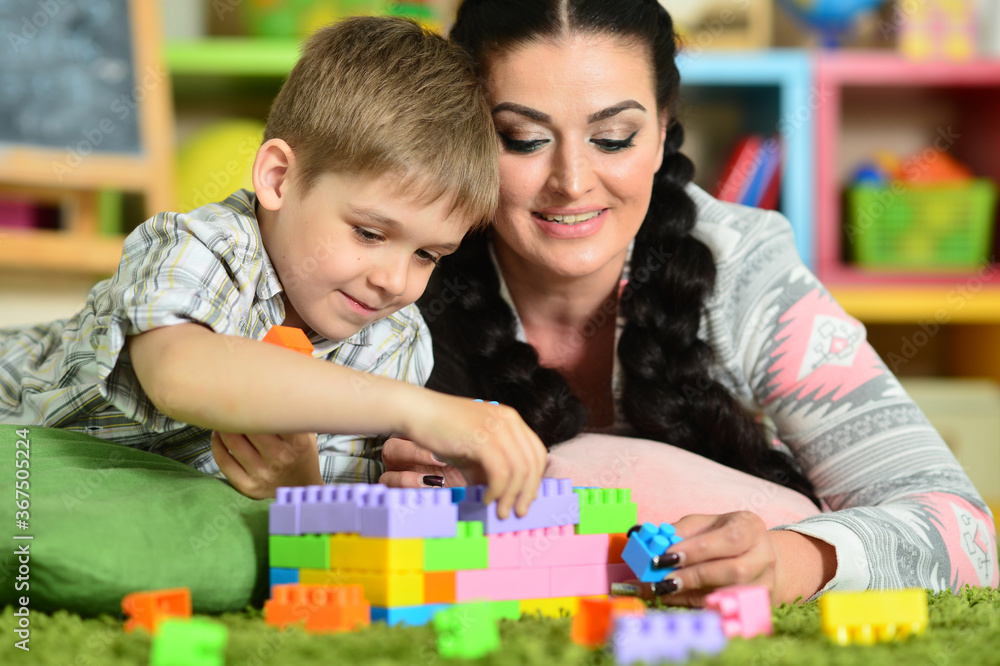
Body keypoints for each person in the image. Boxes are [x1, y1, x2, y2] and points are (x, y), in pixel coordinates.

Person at [380, 0, 999, 604]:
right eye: (523, 139)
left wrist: (787, 560)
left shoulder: (744, 268)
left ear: (661, 128)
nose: (571, 181)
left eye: (614, 138)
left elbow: (967, 536)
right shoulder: (394, 264)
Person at [0, 17, 545, 518]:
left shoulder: (394, 342)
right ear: (278, 178)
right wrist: (418, 410)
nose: (394, 281)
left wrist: (300, 483)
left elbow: (326, 525)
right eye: (369, 233)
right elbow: (179, 373)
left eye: (427, 255)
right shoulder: (203, 245)